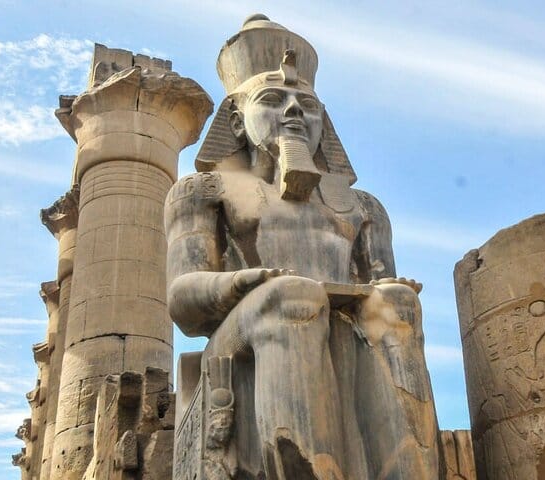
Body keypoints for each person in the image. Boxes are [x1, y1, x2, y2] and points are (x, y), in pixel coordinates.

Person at [165, 14, 438, 479]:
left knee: (396, 304)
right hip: (242, 333)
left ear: (322, 123)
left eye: (307, 106)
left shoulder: (363, 206)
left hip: (330, 320)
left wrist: (389, 288)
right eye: (273, 100)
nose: (294, 112)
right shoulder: (203, 190)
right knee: (293, 296)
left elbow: (377, 282)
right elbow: (183, 300)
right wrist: (244, 282)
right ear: (237, 120)